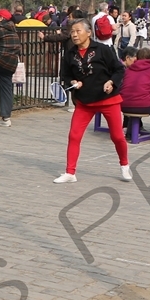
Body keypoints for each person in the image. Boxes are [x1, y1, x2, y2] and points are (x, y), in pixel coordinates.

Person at [53, 19, 129, 183]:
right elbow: (65, 75)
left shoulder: (103, 49)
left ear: (89, 33)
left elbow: (119, 69)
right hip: (85, 101)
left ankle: (124, 164)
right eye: (72, 31)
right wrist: (72, 82)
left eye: (78, 31)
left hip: (108, 99)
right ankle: (70, 172)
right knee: (74, 135)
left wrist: (112, 82)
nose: (74, 34)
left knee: (117, 136)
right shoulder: (70, 54)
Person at [120, 46, 150, 141]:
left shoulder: (128, 70)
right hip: (144, 104)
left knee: (134, 107)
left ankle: (130, 134)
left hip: (124, 104)